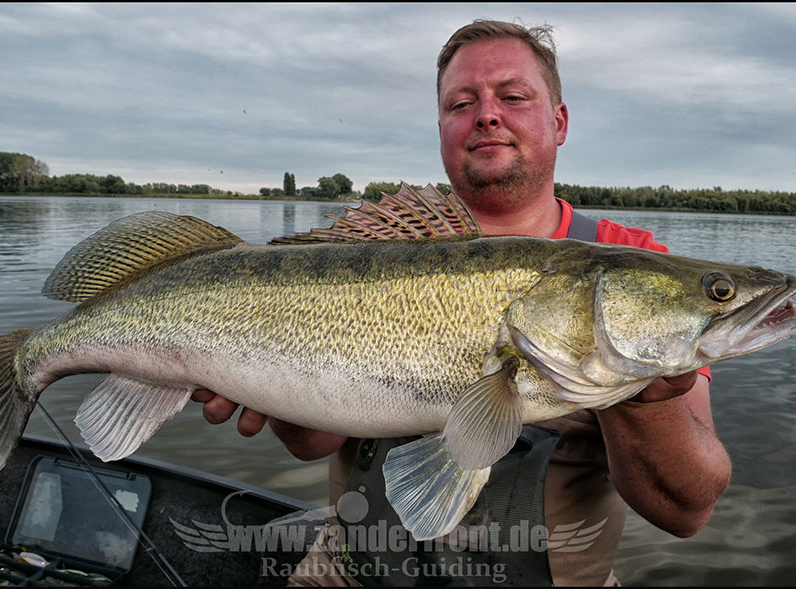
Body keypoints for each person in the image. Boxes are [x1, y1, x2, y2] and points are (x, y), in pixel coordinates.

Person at [191, 20, 732, 586]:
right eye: (461, 103)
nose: (487, 114)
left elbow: (684, 511)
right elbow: (313, 443)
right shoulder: (376, 247)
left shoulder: (632, 259)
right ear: (444, 127)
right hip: (353, 572)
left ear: (560, 120)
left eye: (514, 96)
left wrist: (646, 402)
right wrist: (263, 385)